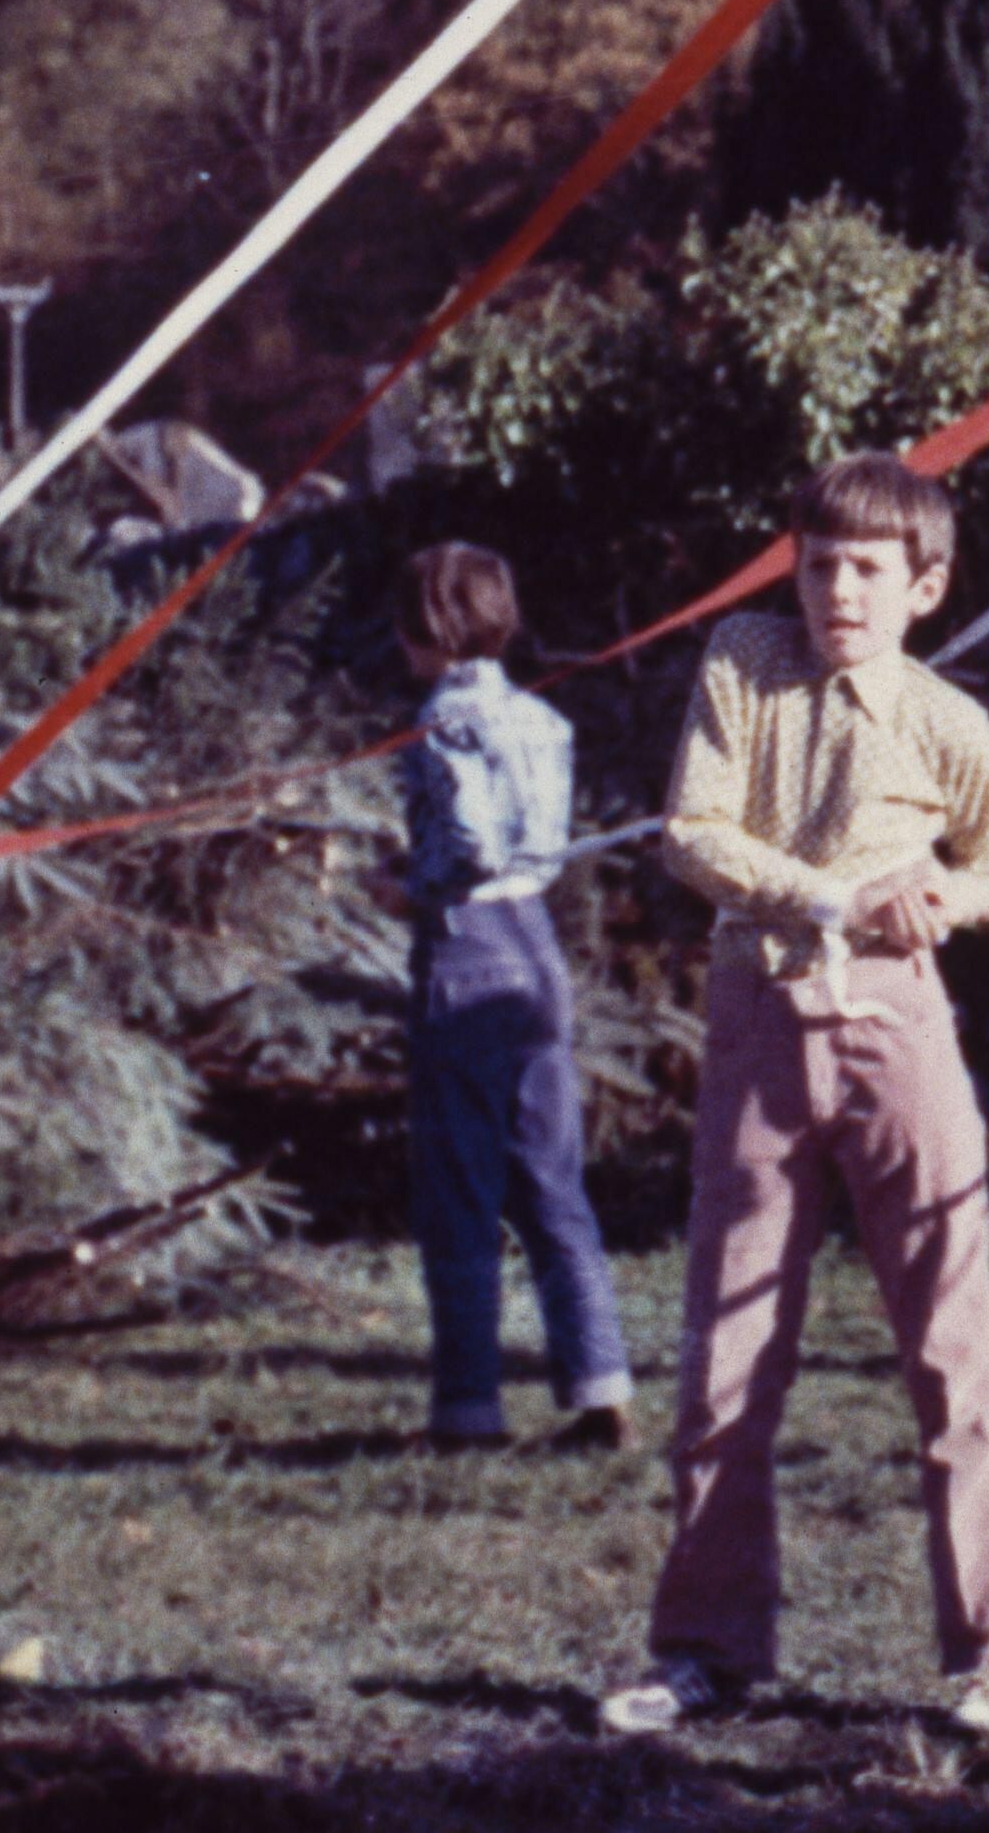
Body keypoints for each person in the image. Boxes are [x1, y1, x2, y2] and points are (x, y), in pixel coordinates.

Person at [607, 457, 989, 1745]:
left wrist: (945, 899)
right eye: (818, 563)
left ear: (925, 585)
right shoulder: (743, 661)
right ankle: (705, 1645)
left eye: (867, 568)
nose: (838, 590)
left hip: (901, 1028)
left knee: (953, 1334)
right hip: (761, 1015)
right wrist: (830, 897)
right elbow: (693, 832)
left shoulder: (948, 720)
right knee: (731, 1334)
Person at [388, 541, 636, 1454]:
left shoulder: (438, 721)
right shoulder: (543, 719)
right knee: (550, 1180)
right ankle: (601, 1385)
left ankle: (467, 1410)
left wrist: (400, 880)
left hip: (464, 949)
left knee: (458, 1188)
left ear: (430, 628)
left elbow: (469, 844)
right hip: (537, 946)